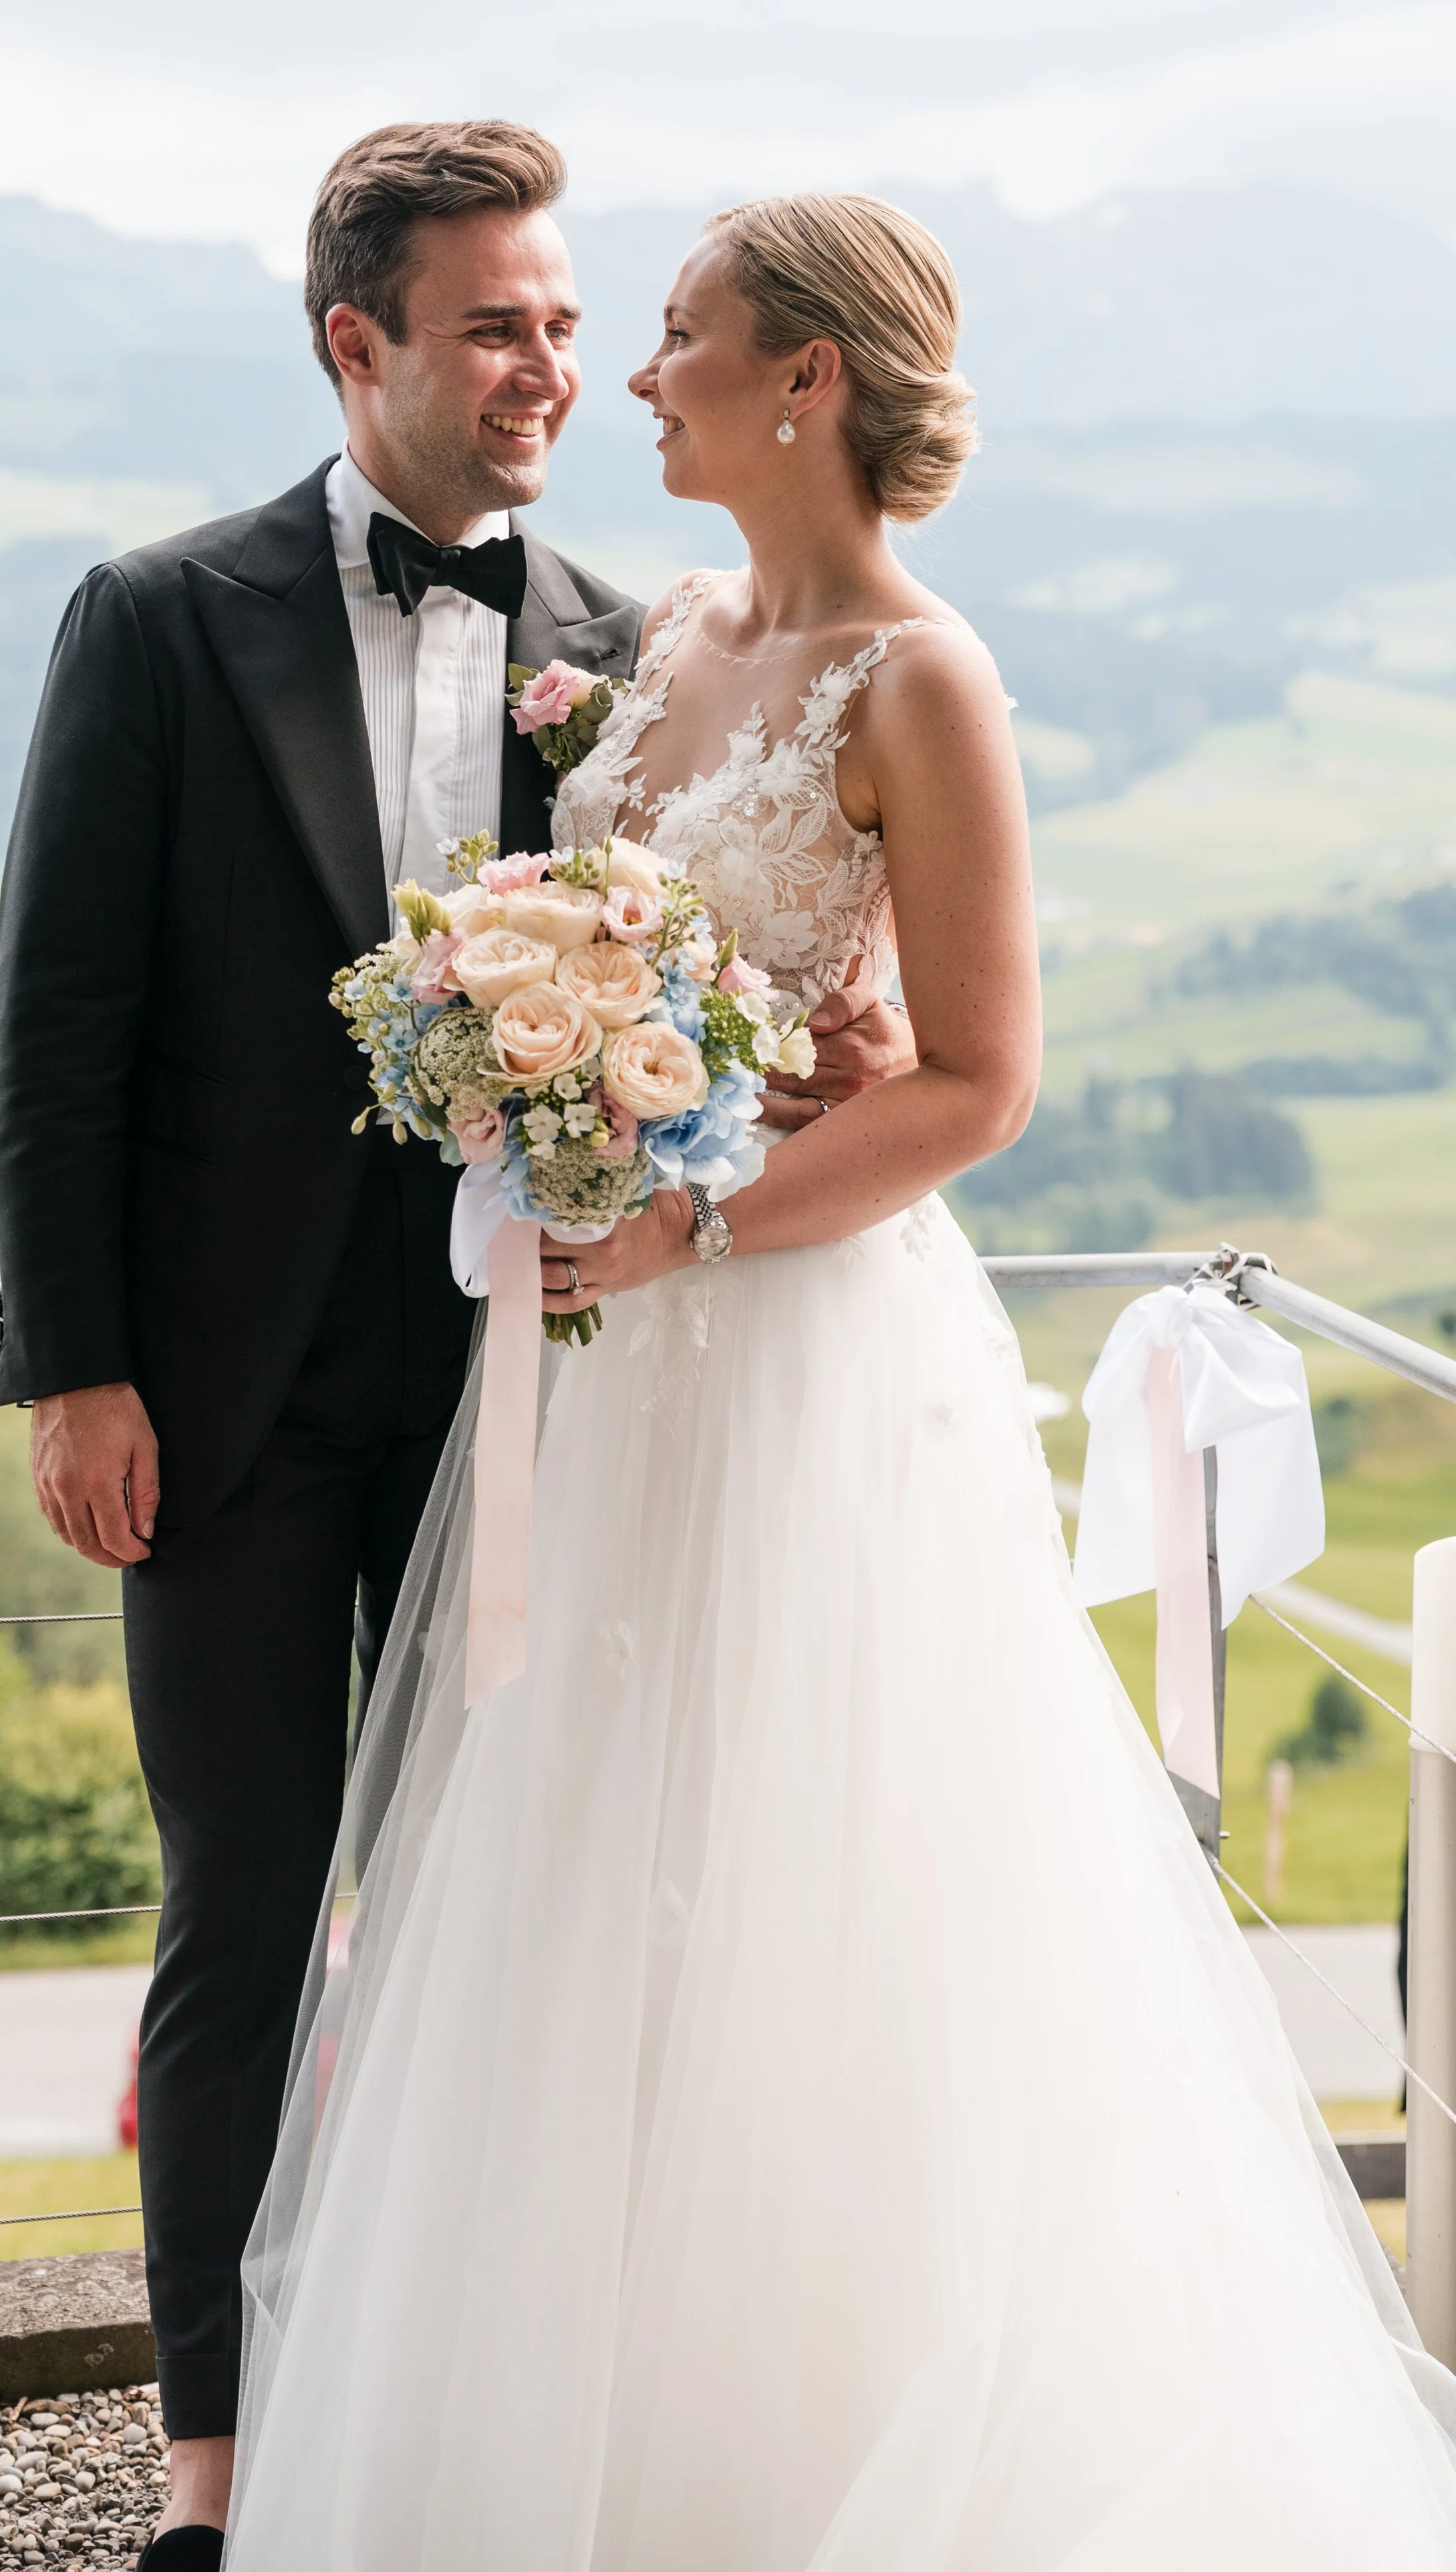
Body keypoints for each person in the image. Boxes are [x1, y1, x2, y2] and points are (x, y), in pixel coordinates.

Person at [225, 192, 1456, 2567]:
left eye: (677, 332)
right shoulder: (669, 631)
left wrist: (689, 1218)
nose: (632, 373)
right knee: (589, 1877)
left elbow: (980, 1083)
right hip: (605, 1366)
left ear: (805, 378)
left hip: (802, 1353)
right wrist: (543, 1077)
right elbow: (654, 960)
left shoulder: (919, 680)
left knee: (831, 1880)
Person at [0, 126, 911, 2569]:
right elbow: (57, 1025)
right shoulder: (156, 619)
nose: (550, 370)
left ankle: (459, 2440)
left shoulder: (640, 645)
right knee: (242, 1915)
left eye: (570, 325)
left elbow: (750, 988)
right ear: (354, 343)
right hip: (220, 1402)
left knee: (517, 1921)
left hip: (556, 1397)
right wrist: (74, 1367)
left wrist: (822, 1062)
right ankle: (215, 2470)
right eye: (495, 325)